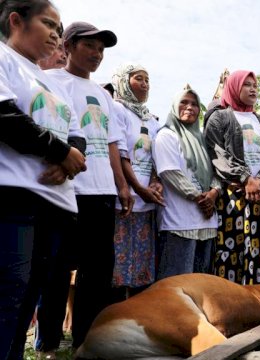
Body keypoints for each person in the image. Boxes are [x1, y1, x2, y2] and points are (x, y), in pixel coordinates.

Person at [35, 21, 132, 356]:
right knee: (56, 268)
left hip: (102, 192)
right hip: (67, 190)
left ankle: (84, 339)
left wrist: (122, 187)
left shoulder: (105, 96)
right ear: (69, 45)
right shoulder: (50, 81)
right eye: (90, 46)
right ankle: (47, 339)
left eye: (101, 50)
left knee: (98, 270)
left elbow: (112, 145)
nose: (96, 54)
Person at [0, 1, 87, 358]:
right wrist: (58, 151)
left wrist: (68, 162)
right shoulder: (4, 59)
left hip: (55, 204)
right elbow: (5, 116)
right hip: (16, 200)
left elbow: (77, 136)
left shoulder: (54, 83)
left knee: (27, 300)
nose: (56, 34)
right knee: (7, 295)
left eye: (59, 27)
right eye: (48, 24)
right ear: (17, 20)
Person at [204, 70, 260, 284]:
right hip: (234, 197)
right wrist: (245, 178)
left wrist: (259, 181)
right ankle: (233, 303)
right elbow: (216, 153)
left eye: (255, 85)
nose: (253, 89)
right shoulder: (219, 117)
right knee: (233, 251)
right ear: (233, 87)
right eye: (246, 84)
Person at [110, 63, 164, 304]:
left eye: (147, 80)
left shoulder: (151, 119)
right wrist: (136, 189)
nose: (144, 84)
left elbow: (157, 157)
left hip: (147, 204)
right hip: (125, 200)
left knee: (142, 270)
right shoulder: (117, 109)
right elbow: (121, 153)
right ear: (124, 82)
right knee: (117, 267)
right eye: (138, 78)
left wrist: (153, 183)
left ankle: (137, 321)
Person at [154, 86, 218, 280]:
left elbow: (217, 170)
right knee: (175, 285)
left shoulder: (203, 140)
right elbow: (170, 172)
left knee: (200, 284)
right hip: (179, 223)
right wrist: (202, 199)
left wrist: (214, 193)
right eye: (184, 102)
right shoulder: (166, 136)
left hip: (206, 224)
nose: (189, 107)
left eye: (194, 104)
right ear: (174, 106)